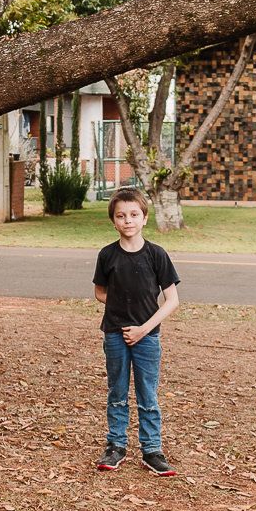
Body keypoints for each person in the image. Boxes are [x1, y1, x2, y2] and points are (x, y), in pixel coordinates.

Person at [93, 187, 180, 477]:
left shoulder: (156, 255)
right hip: (115, 334)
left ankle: (152, 449)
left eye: (133, 215)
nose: (127, 220)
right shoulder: (107, 255)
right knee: (117, 391)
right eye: (121, 216)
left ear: (144, 218)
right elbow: (100, 293)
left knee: (147, 394)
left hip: (148, 336)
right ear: (113, 221)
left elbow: (173, 301)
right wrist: (122, 316)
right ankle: (116, 445)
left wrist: (143, 328)